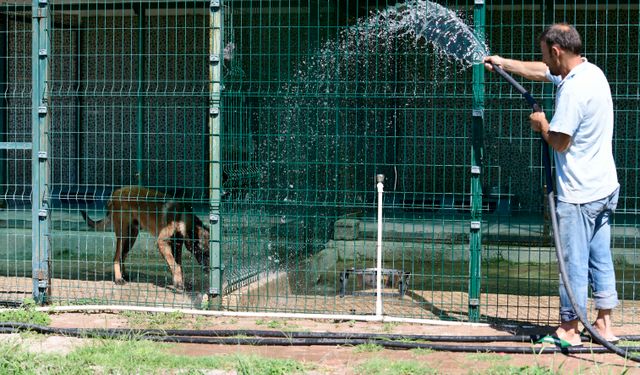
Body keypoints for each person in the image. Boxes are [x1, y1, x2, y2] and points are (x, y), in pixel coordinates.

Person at [484, 23, 620, 347]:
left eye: (546, 54)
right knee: (601, 257)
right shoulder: (590, 72)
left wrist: (541, 124)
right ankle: (604, 324)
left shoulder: (574, 90)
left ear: (557, 51)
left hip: (579, 195)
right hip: (604, 188)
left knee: (573, 261)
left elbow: (560, 141)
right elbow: (542, 72)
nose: (545, 61)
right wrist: (502, 62)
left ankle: (570, 329)